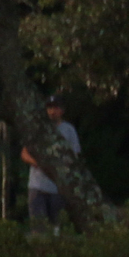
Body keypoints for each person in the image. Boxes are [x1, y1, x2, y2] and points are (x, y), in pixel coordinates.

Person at [23, 96, 81, 230]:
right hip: (37, 185)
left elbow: (75, 155)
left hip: (58, 187)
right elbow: (24, 153)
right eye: (49, 108)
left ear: (62, 110)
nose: (52, 111)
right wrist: (37, 163)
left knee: (56, 227)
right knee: (38, 227)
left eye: (55, 108)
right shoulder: (38, 129)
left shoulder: (69, 130)